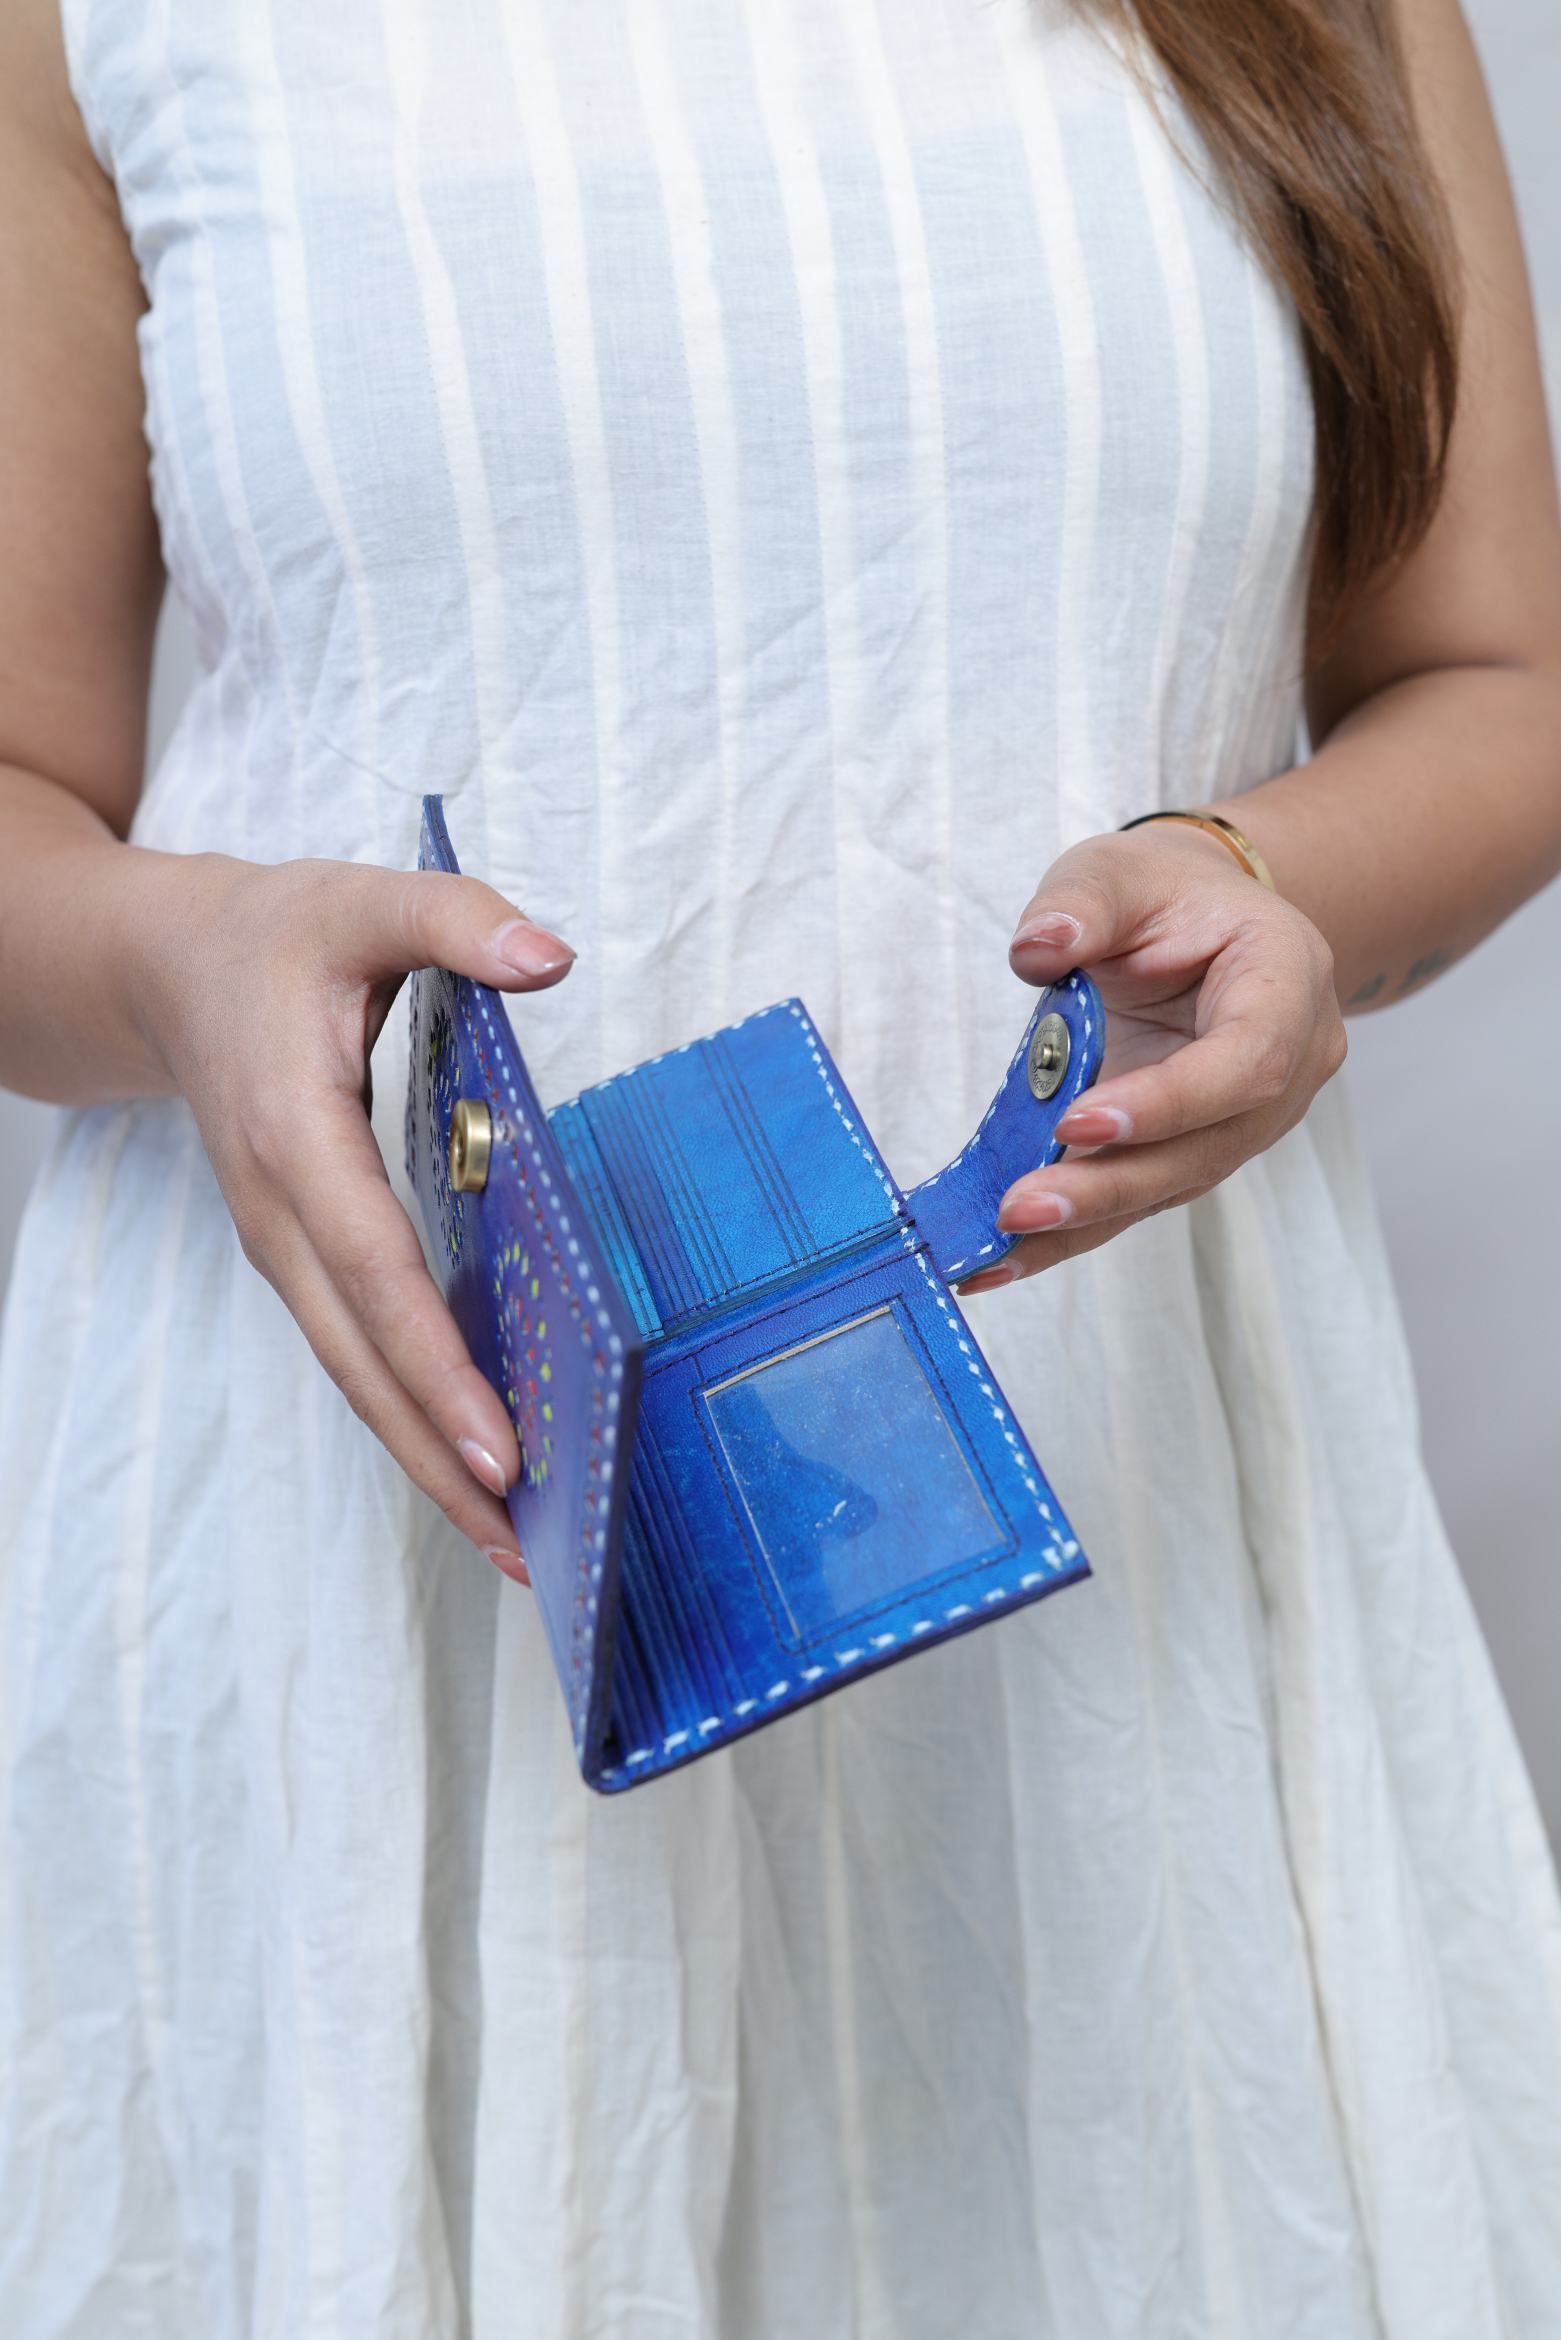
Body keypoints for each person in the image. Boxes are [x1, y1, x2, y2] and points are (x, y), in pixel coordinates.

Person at [1, 0, 1558, 2331]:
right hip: (363, 1584)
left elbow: (1491, 679)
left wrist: (1258, 870)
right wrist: (189, 959)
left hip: (1112, 1586)